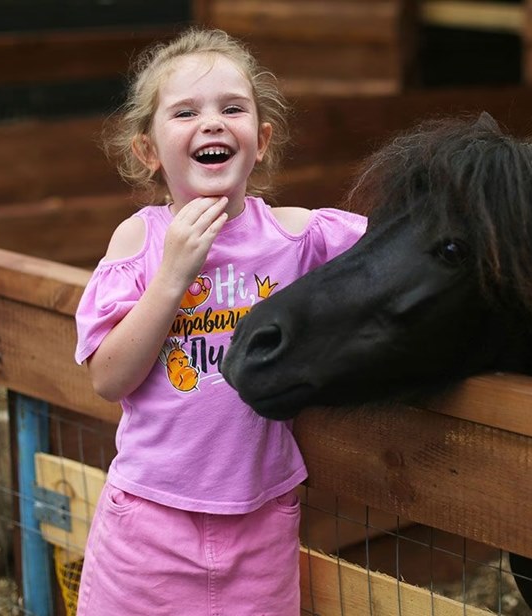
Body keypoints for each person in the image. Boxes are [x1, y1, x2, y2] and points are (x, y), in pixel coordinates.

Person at [73, 27, 367, 616]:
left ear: (260, 141)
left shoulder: (298, 236)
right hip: (147, 526)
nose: (212, 122)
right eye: (185, 111)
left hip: (261, 526)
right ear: (149, 151)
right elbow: (108, 379)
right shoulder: (140, 239)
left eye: (232, 108)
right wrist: (172, 277)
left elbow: (399, 262)